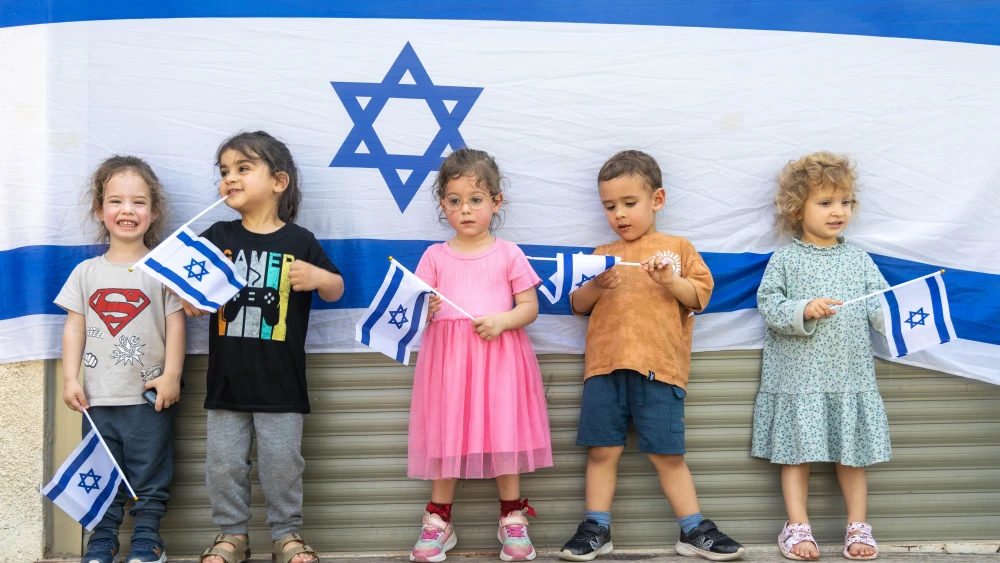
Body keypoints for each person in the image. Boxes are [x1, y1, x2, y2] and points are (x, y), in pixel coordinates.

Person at [558, 150, 745, 562]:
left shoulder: (678, 247)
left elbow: (699, 297)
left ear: (657, 200)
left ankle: (693, 529)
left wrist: (670, 279)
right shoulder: (601, 253)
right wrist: (597, 284)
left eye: (629, 203)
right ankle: (596, 528)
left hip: (660, 371)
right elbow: (577, 304)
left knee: (667, 454)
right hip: (604, 369)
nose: (620, 214)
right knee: (602, 451)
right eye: (610, 206)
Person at [185, 131, 345, 563]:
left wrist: (319, 278)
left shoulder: (299, 242)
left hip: (281, 384)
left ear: (278, 181)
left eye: (242, 168)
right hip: (226, 383)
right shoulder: (216, 235)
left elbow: (336, 288)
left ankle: (286, 534)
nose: (229, 178)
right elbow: (182, 284)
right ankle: (231, 535)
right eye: (223, 171)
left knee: (282, 464)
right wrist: (186, 297)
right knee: (223, 464)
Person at [407, 148, 552, 562]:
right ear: (443, 204)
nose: (465, 209)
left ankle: (512, 518)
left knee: (504, 434)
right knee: (447, 435)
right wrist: (425, 309)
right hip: (449, 365)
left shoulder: (508, 253)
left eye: (476, 199)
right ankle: (438, 521)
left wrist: (503, 321)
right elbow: (413, 306)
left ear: (496, 202)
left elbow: (529, 307)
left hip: (500, 360)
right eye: (455, 201)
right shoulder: (434, 256)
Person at [752, 152, 888, 561]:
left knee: (853, 455)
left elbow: (881, 306)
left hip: (849, 377)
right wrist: (803, 309)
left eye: (844, 202)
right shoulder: (786, 259)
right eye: (825, 202)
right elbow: (768, 303)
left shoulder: (859, 260)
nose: (838, 211)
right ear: (797, 209)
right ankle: (796, 525)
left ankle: (858, 526)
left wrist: (900, 315)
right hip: (800, 380)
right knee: (797, 454)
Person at [57, 155, 186, 563]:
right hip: (96, 399)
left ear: (154, 211)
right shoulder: (85, 272)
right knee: (101, 471)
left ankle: (148, 538)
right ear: (100, 210)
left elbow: (177, 325)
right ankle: (103, 538)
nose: (127, 210)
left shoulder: (163, 271)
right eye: (116, 201)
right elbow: (74, 328)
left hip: (148, 397)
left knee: (151, 471)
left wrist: (172, 375)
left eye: (138, 202)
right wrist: (70, 378)